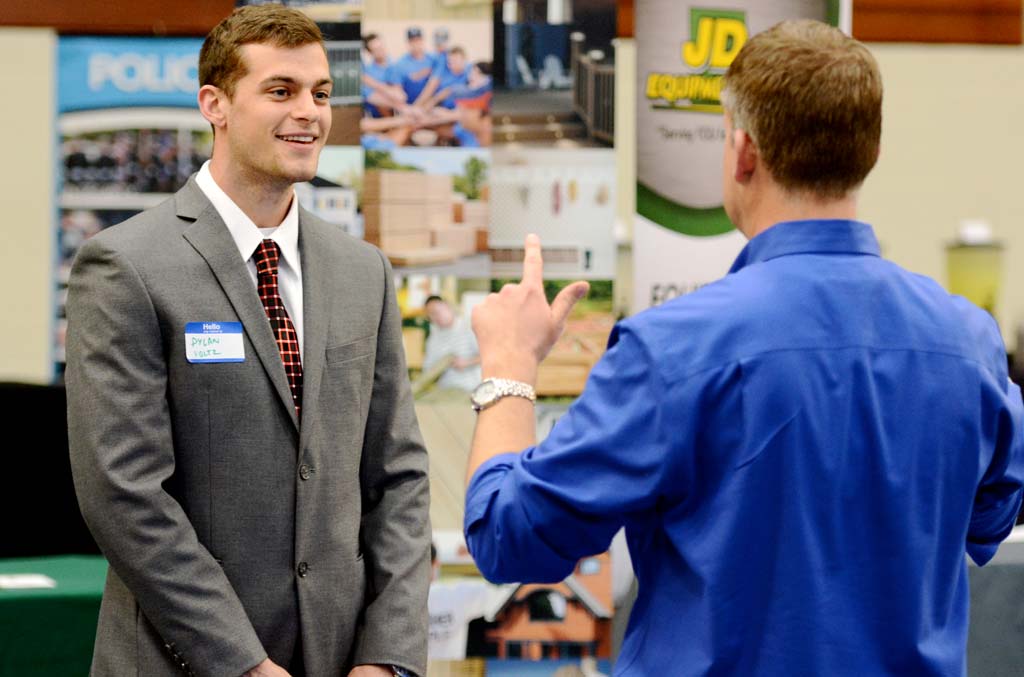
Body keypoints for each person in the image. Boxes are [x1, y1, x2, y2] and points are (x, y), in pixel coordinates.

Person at [462, 20, 1024, 676]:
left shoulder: (669, 351)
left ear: (743, 152)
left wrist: (509, 366)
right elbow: (990, 521)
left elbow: (508, 536)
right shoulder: (970, 345)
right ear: (869, 152)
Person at [65, 6, 429, 677]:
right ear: (216, 105)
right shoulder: (126, 265)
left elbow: (398, 479)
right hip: (186, 661)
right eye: (281, 90)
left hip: (342, 660)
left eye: (321, 93)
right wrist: (245, 664)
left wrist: (387, 656)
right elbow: (123, 494)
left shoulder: (363, 271)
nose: (309, 112)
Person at [422, 295, 481, 392]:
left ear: (446, 306)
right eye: (431, 315)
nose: (435, 317)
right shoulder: (433, 338)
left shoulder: (469, 327)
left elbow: (488, 355)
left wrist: (467, 362)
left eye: (436, 312)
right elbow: (427, 369)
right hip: (445, 390)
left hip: (471, 389)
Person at [361, 33, 406, 118]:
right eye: (376, 49)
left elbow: (400, 96)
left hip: (398, 112)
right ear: (370, 53)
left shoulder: (395, 65)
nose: (381, 50)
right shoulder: (368, 71)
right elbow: (371, 97)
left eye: (381, 46)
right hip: (377, 116)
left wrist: (373, 83)